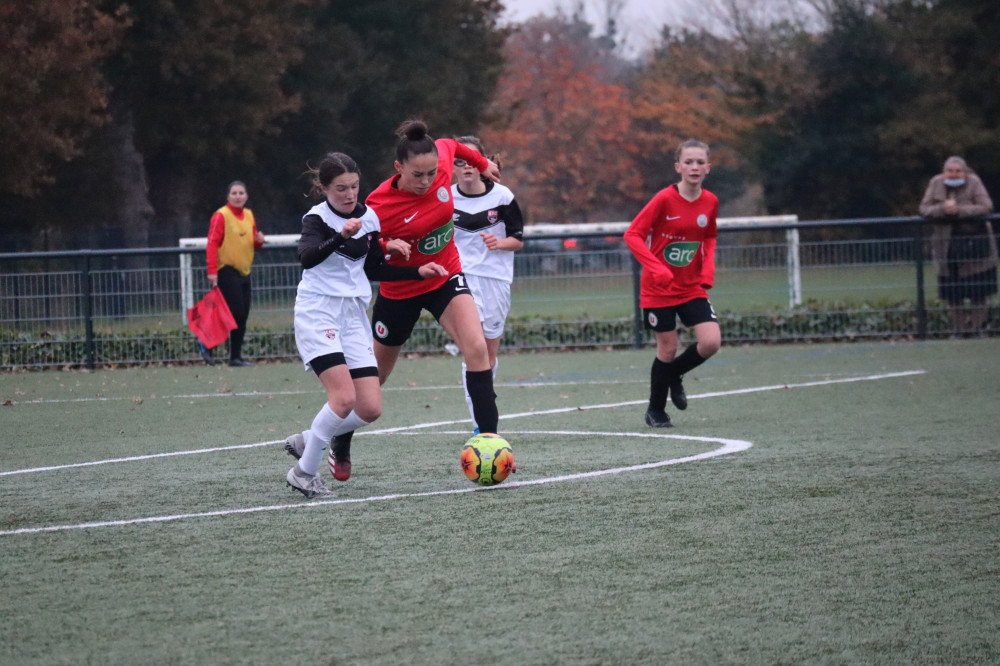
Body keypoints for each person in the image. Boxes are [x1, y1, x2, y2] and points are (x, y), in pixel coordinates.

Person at [294, 120, 503, 481]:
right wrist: (387, 247)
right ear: (399, 169)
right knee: (373, 382)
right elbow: (370, 255)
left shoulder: (441, 160)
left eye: (433, 173)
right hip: (399, 290)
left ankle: (490, 442)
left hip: (444, 274)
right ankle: (341, 437)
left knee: (477, 348)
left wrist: (483, 164)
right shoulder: (376, 204)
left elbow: (454, 144)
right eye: (418, 175)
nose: (427, 181)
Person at [284, 152, 448, 498]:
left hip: (353, 316)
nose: (349, 194)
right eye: (341, 188)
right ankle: (304, 473)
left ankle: (312, 439)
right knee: (342, 398)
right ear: (324, 188)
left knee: (370, 407)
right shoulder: (316, 219)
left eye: (354, 186)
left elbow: (373, 269)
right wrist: (341, 235)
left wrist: (416, 271)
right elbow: (307, 258)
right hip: (319, 313)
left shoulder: (369, 217)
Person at [623, 139, 722, 428]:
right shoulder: (664, 199)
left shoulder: (711, 202)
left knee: (711, 342)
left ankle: (675, 373)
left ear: (708, 167)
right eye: (688, 162)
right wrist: (656, 268)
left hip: (691, 287)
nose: (694, 167)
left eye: (699, 162)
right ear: (678, 167)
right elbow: (633, 235)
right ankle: (655, 410)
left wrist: (708, 272)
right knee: (666, 349)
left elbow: (710, 238)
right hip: (658, 289)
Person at [451, 136, 524, 434]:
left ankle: (485, 413)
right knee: (474, 350)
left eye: (472, 160)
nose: (466, 167)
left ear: (484, 163)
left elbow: (518, 239)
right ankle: (481, 426)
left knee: (489, 355)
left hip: (495, 280)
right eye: (459, 161)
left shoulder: (502, 196)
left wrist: (499, 242)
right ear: (452, 166)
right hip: (458, 280)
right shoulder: (444, 198)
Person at [919, 156, 997, 337]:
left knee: (978, 291)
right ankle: (958, 329)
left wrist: (959, 211)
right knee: (953, 293)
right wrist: (942, 210)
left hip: (975, 246)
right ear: (944, 171)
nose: (953, 175)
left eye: (957, 171)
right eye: (950, 171)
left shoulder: (974, 182)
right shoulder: (935, 183)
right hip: (947, 248)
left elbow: (986, 206)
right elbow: (924, 209)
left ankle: (977, 329)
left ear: (964, 171)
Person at [204, 180, 265, 367]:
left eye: (241, 193)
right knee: (235, 310)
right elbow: (212, 243)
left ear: (246, 196)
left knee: (243, 313)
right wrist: (212, 271)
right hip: (226, 270)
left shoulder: (248, 215)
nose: (238, 196)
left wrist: (259, 241)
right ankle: (207, 343)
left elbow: (252, 241)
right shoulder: (221, 216)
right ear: (228, 196)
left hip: (244, 271)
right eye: (234, 193)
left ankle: (235, 357)